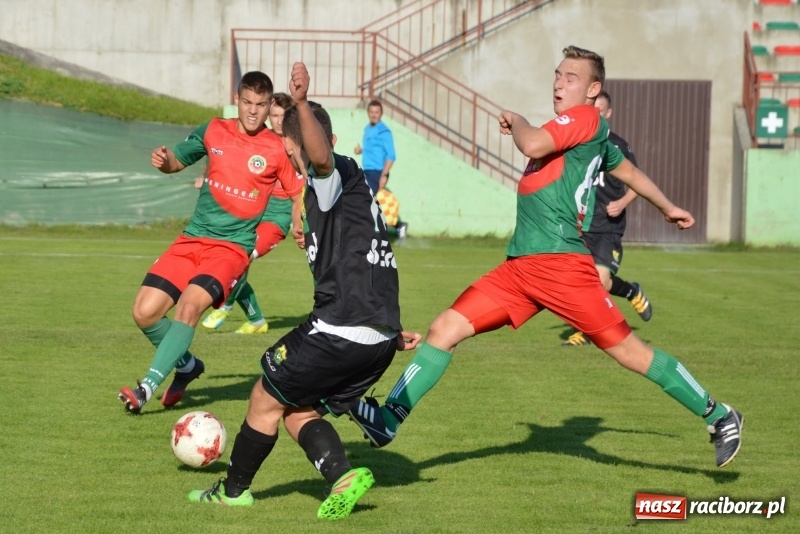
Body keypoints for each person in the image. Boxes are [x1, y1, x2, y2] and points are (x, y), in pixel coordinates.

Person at [349, 45, 744, 470]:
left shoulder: (586, 119)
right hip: (521, 268)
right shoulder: (583, 135)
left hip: (560, 266)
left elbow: (533, 142)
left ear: (594, 89)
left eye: (571, 77)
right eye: (557, 74)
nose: (559, 82)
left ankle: (720, 415)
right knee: (445, 327)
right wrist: (667, 206)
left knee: (631, 352)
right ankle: (389, 418)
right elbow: (628, 171)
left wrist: (518, 120)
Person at [187, 62, 421, 519]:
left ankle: (234, 491)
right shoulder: (343, 196)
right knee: (295, 406)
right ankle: (343, 476)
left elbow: (317, 159)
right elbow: (362, 264)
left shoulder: (330, 177)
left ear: (292, 144)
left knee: (263, 394)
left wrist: (297, 103)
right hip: (375, 337)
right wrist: (388, 334)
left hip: (340, 329)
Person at [118, 72, 304, 414]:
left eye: (261, 105)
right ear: (238, 100)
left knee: (188, 308)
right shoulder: (214, 129)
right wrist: (164, 162)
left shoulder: (276, 148)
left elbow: (297, 193)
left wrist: (298, 223)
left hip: (231, 249)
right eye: (247, 103)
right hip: (191, 239)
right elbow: (177, 160)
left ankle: (146, 387)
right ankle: (187, 366)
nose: (253, 112)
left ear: (268, 108)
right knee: (144, 313)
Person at [201, 92, 306, 333]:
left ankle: (224, 305)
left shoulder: (297, 145)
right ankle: (257, 321)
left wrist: (298, 219)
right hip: (254, 213)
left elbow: (302, 186)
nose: (278, 121)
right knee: (236, 262)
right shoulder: (263, 140)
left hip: (277, 218)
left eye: (283, 116)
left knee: (242, 257)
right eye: (275, 115)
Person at [562, 89, 652, 346]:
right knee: (588, 282)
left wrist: (622, 202)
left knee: (598, 281)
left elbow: (638, 181)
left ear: (608, 113)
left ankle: (586, 331)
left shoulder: (618, 146)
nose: (595, 115)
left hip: (608, 228)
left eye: (600, 111)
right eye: (592, 110)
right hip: (582, 226)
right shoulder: (579, 144)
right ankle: (631, 290)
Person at [354, 99, 409, 240]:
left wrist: (384, 174)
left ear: (381, 114)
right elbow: (373, 149)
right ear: (368, 113)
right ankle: (399, 225)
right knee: (375, 203)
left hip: (378, 172)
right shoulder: (367, 129)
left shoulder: (384, 131)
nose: (374, 115)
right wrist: (361, 150)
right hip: (367, 171)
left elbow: (391, 155)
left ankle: (367, 235)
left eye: (376, 112)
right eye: (371, 112)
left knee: (365, 200)